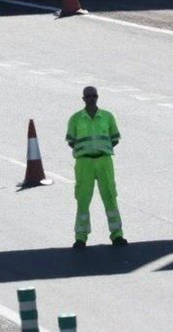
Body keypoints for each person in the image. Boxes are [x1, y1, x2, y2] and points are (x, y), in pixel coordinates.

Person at [66, 85, 126, 248]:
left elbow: (114, 138)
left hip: (104, 161)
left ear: (97, 97)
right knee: (83, 199)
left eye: (94, 96)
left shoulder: (107, 117)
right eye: (88, 96)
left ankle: (117, 235)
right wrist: (87, 151)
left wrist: (101, 150)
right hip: (84, 163)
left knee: (110, 196)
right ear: (83, 99)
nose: (91, 99)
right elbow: (71, 141)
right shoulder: (76, 119)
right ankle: (81, 237)